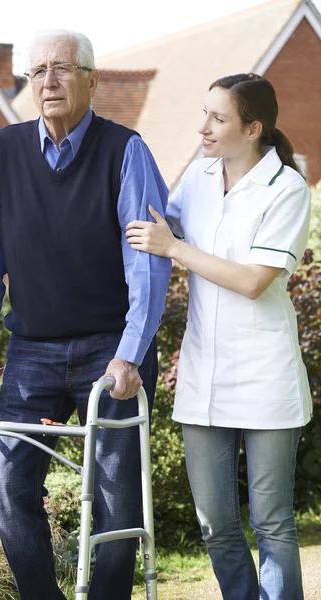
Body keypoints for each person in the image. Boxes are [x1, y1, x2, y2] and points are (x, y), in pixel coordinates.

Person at [0, 29, 171, 600]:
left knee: (119, 498)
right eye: (38, 71)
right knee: (6, 485)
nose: (48, 81)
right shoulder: (2, 149)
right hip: (31, 349)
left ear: (93, 81)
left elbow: (146, 265)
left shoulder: (127, 151)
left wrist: (130, 354)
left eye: (63, 69)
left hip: (110, 347)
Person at [126, 73, 311, 600]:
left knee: (272, 523)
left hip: (264, 376)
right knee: (215, 525)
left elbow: (253, 280)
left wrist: (174, 249)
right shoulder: (200, 177)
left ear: (253, 129)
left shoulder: (287, 188)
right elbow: (158, 224)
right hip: (203, 372)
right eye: (204, 113)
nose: (203, 127)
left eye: (218, 118)